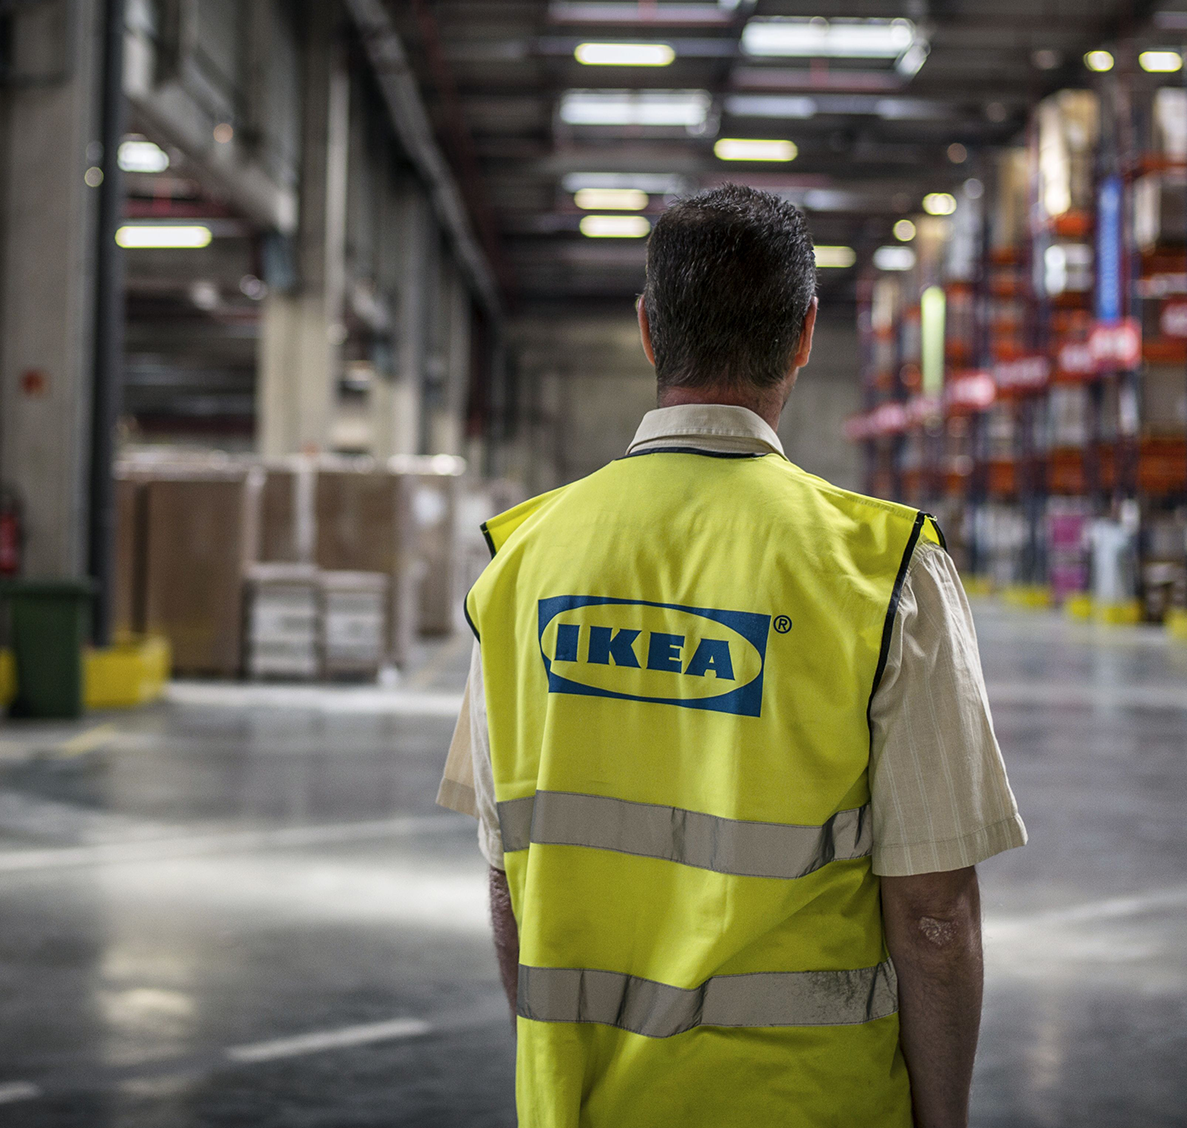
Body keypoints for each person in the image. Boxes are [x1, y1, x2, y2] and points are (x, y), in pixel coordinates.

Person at [438, 184, 1025, 1128]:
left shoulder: (523, 561)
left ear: (646, 332)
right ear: (803, 335)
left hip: (577, 1105)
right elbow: (933, 911)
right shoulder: (884, 572)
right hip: (808, 1102)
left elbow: (510, 879)